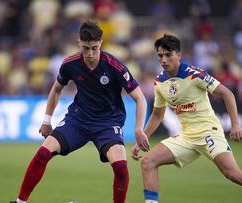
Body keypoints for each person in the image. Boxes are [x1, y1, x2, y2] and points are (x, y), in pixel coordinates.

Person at [131, 34, 242, 203]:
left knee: (233, 174)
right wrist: (142, 137)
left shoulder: (195, 74)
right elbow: (157, 114)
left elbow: (227, 94)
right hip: (187, 137)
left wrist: (235, 124)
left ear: (179, 55)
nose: (163, 59)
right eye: (160, 55)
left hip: (208, 133)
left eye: (168, 55)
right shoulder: (160, 81)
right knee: (148, 162)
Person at [10, 21, 150, 203]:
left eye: (94, 48)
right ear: (79, 43)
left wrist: (139, 129)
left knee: (121, 168)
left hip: (108, 122)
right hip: (78, 119)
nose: (90, 54)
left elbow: (140, 97)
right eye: (86, 48)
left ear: (100, 43)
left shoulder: (114, 66)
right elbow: (56, 89)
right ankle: (20, 202)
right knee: (43, 153)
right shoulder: (70, 64)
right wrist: (46, 120)